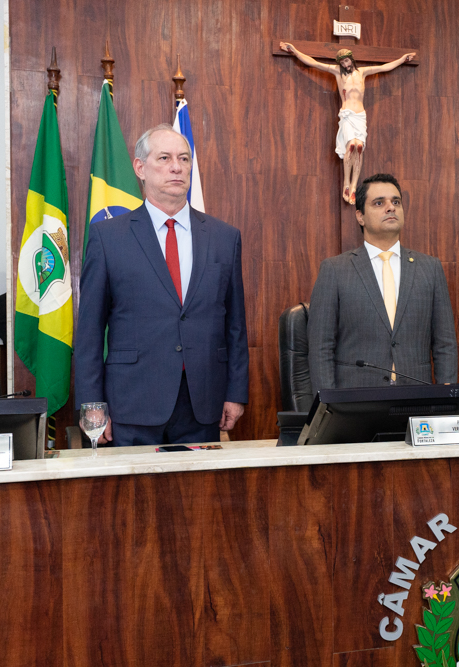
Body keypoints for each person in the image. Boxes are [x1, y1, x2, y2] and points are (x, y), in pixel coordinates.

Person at [75, 124, 248, 446]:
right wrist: (92, 405)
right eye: (165, 158)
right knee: (131, 496)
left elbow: (235, 324)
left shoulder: (225, 238)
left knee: (199, 496)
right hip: (131, 403)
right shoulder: (108, 238)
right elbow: (89, 331)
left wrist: (236, 394)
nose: (176, 167)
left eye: (183, 159)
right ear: (140, 167)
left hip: (203, 401)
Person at [307, 173, 457, 394]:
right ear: (360, 216)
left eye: (396, 202)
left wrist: (448, 399)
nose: (391, 208)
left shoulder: (430, 268)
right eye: (379, 203)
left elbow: (445, 344)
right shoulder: (335, 270)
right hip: (356, 403)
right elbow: (321, 348)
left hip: (417, 400)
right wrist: (329, 407)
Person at [279, 43, 415, 205]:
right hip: (347, 115)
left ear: (351, 59)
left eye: (347, 61)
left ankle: (354, 186)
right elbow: (313, 63)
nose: (345, 65)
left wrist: (402, 59)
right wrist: (294, 51)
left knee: (359, 148)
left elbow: (385, 67)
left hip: (360, 116)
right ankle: (346, 184)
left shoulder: (363, 72)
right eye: (342, 63)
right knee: (351, 145)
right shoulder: (337, 72)